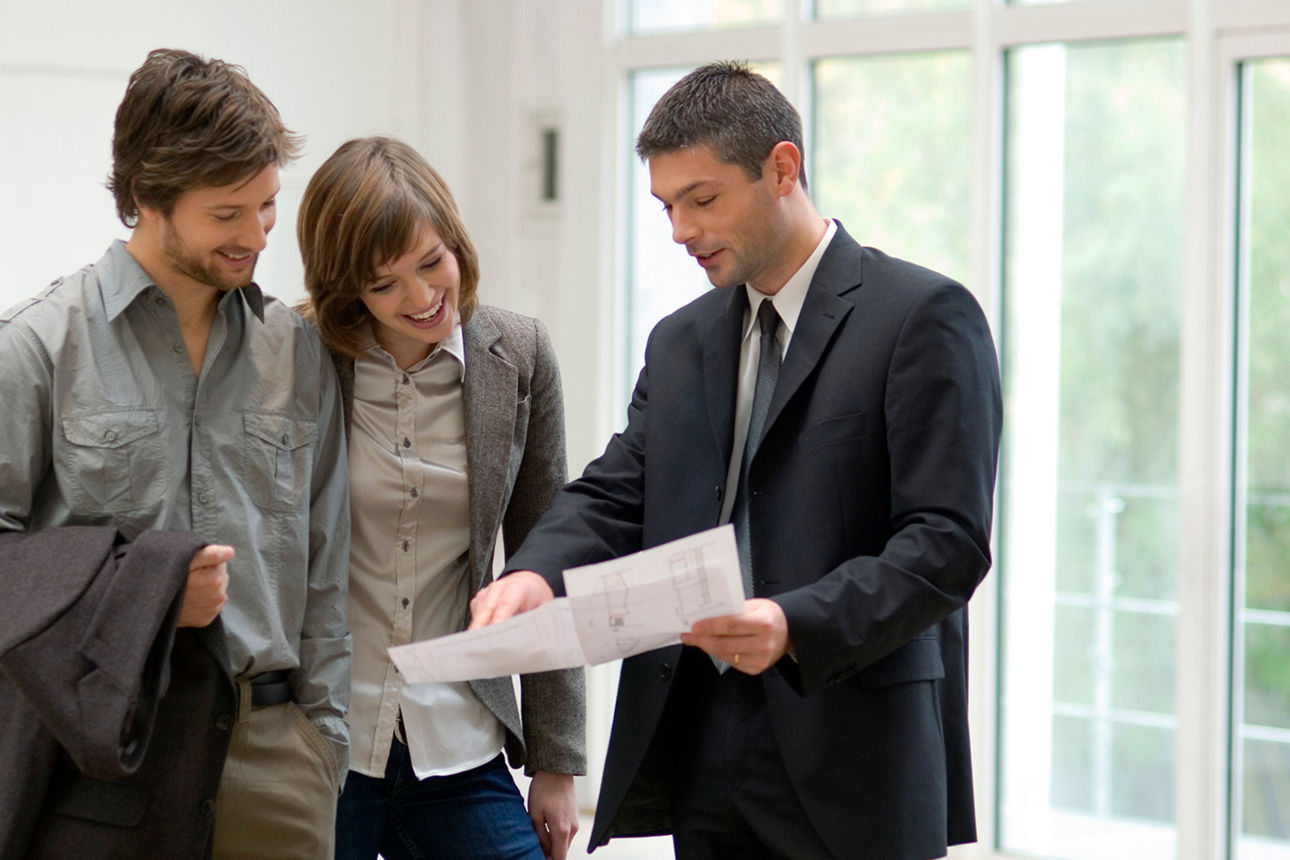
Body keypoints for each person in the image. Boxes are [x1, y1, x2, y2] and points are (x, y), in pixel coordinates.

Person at [470, 61, 1003, 860]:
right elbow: (619, 489)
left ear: (782, 168)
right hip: (701, 743)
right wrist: (535, 573)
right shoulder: (680, 340)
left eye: (702, 199)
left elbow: (945, 543)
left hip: (855, 746)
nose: (680, 230)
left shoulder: (921, 316)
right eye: (667, 206)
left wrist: (794, 624)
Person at [0, 49, 350, 859]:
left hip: (277, 767)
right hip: (103, 761)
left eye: (267, 205)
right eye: (228, 214)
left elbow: (326, 568)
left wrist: (322, 746)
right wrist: (146, 593)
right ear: (148, 199)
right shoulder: (34, 350)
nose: (256, 235)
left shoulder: (296, 353)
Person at [296, 136, 586, 860]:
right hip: (324, 741)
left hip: (459, 738)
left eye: (432, 263)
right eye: (384, 283)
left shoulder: (520, 355)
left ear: (456, 240)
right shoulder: (298, 353)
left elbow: (546, 556)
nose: (422, 298)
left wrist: (555, 763)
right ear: (347, 288)